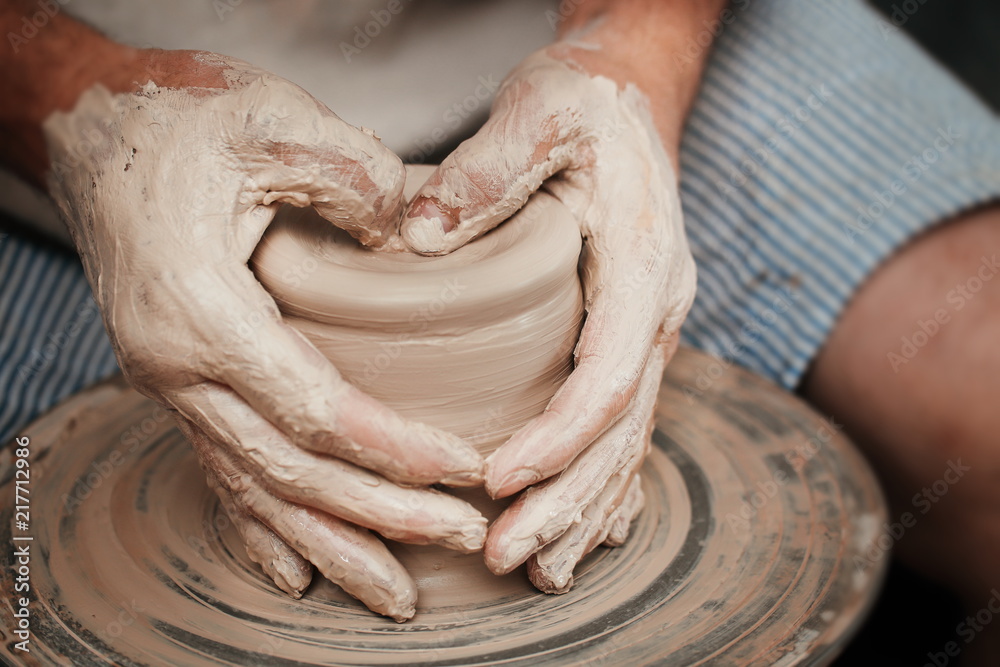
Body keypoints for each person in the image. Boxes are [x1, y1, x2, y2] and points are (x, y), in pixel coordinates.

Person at [1, 0, 998, 659]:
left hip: (549, 36)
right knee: (33, 575)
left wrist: (637, 50)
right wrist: (64, 102)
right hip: (84, 137)